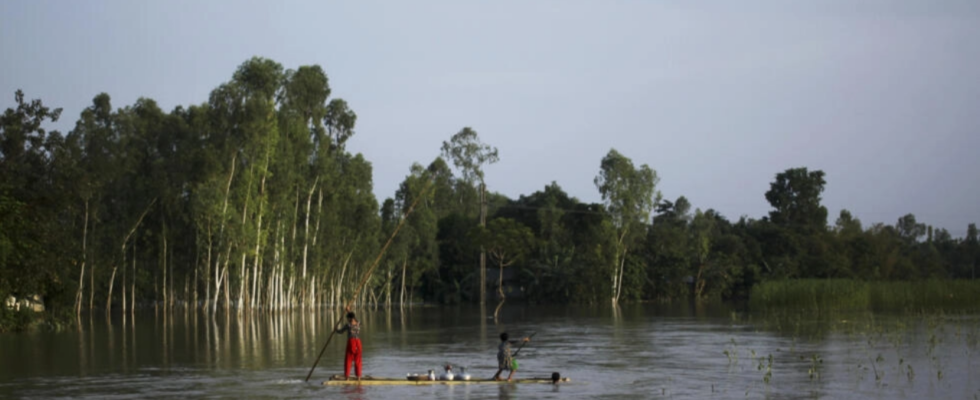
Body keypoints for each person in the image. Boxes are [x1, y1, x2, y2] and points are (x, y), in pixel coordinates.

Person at [336, 307, 362, 381]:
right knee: (358, 360)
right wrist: (349, 311)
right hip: (358, 343)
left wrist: (335, 330)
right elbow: (354, 318)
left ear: (350, 319)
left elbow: (340, 331)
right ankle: (358, 377)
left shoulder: (348, 325)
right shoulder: (358, 324)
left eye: (348, 319)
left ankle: (347, 378)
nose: (347, 320)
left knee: (348, 360)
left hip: (351, 343)